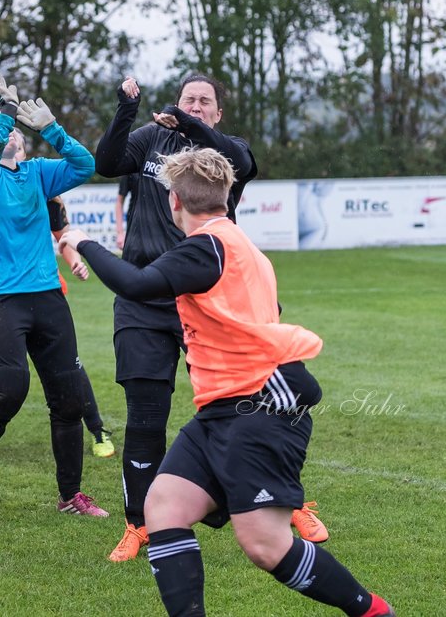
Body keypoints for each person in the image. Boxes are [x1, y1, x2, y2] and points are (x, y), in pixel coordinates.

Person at [61, 147, 394, 617]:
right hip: (221, 409)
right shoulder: (239, 245)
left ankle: (372, 611)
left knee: (265, 546)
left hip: (259, 405)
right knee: (164, 508)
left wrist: (81, 241)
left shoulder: (208, 246)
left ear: (174, 202)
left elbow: (136, 285)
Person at [93, 73, 328, 561]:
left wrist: (189, 124)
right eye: (187, 100)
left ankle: (291, 501)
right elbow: (107, 163)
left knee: (261, 405)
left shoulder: (226, 154)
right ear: (173, 105)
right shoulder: (151, 140)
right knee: (145, 414)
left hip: (215, 298)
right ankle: (139, 523)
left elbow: (242, 162)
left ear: (217, 113)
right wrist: (126, 110)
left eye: (205, 102)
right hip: (147, 299)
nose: (195, 106)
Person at [0, 74, 107, 520]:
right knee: (10, 391)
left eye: (9, 127)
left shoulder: (39, 173)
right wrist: (6, 113)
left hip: (48, 298)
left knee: (67, 399)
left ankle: (70, 496)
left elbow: (85, 165)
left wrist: (51, 128)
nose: (7, 132)